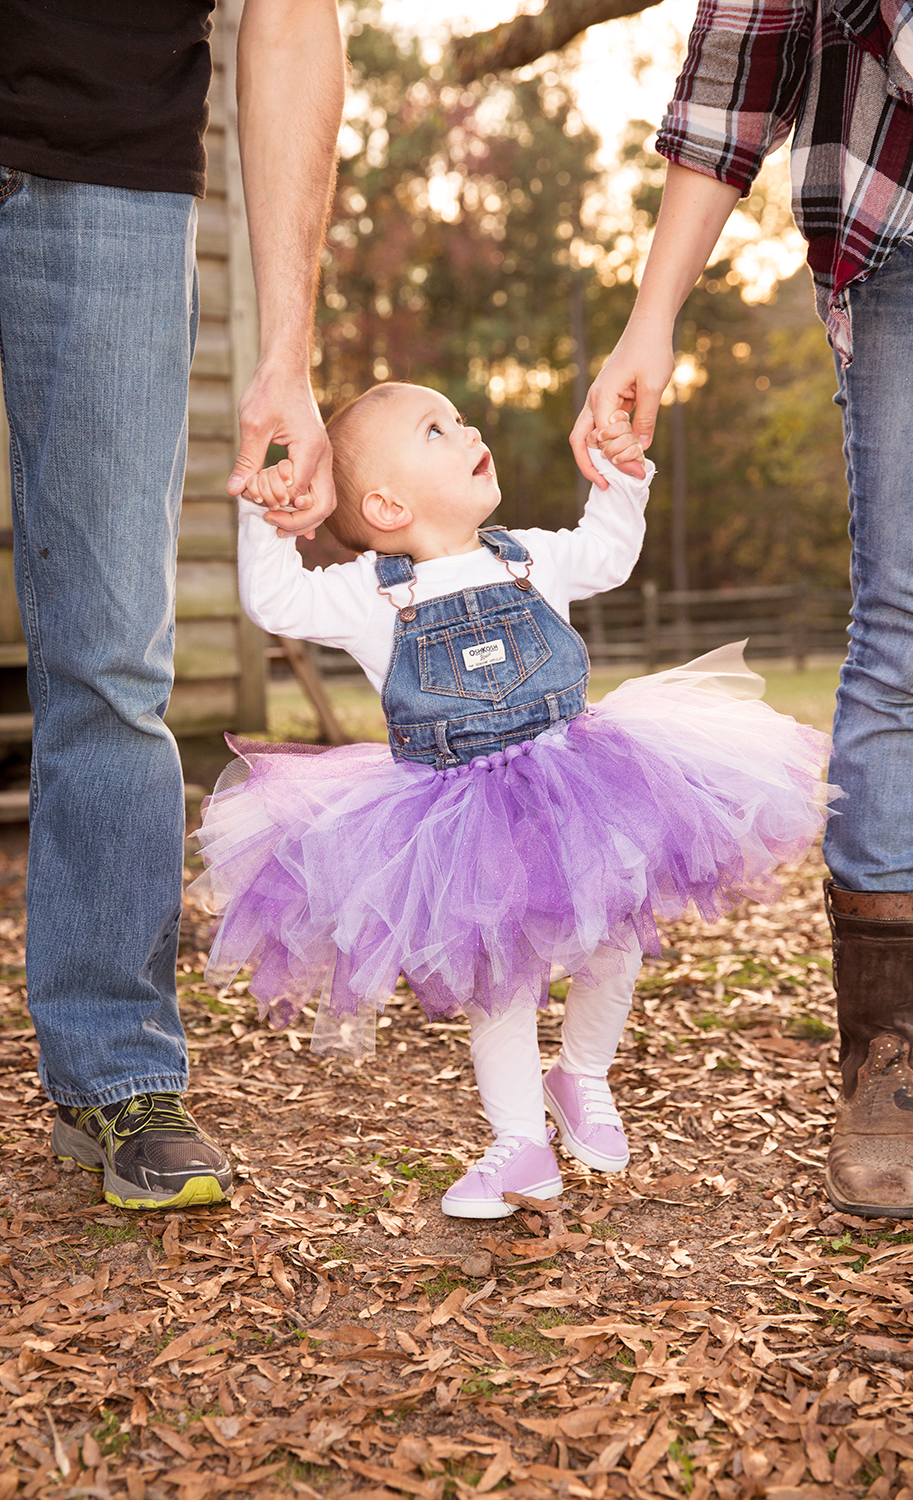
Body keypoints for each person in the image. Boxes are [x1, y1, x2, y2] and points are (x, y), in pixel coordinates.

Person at [190, 381, 833, 1218]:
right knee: (501, 977)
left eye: (459, 418)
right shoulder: (367, 595)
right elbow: (273, 600)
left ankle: (582, 1076)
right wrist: (267, 518)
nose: (468, 430)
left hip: (583, 793)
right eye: (437, 429)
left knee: (612, 940)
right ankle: (518, 1142)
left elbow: (609, 553)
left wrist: (621, 479)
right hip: (462, 822)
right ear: (386, 506)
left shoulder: (527, 553)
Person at [0, 1, 345, 1210]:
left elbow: (293, 19)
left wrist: (287, 351)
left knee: (110, 657)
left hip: (123, 164)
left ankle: (117, 1070)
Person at [572, 0, 913, 1220]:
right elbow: (735, 73)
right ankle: (896, 1053)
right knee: (906, 633)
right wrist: (648, 322)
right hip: (902, 224)